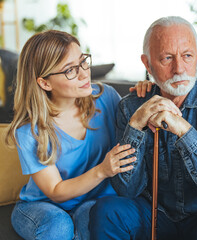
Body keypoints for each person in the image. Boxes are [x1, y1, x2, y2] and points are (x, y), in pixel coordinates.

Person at [89, 16, 197, 240]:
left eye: (187, 56)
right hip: (157, 214)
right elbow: (126, 190)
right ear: (147, 64)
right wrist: (136, 125)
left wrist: (184, 131)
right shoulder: (131, 107)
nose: (179, 69)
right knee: (107, 210)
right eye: (167, 58)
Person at [4, 30, 152, 240]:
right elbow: (55, 190)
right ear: (45, 83)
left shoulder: (106, 97)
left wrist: (145, 91)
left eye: (83, 62)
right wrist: (102, 170)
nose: (84, 74)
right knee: (59, 227)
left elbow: (137, 123)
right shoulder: (30, 131)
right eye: (70, 70)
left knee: (96, 218)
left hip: (91, 200)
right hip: (42, 205)